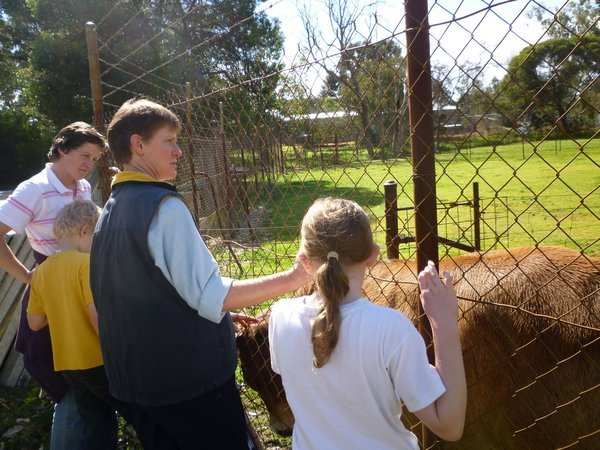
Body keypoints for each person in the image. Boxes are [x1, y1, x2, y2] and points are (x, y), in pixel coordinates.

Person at [89, 98, 311, 450]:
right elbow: (212, 294)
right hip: (189, 386)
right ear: (138, 144)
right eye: (169, 140)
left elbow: (144, 292)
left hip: (137, 385)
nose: (178, 151)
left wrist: (212, 317)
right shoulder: (163, 208)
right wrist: (295, 277)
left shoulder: (110, 212)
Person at [268, 198, 467, 450]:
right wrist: (445, 323)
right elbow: (449, 426)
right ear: (373, 255)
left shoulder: (280, 316)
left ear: (305, 261)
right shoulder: (392, 330)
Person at [0, 122, 106, 449]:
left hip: (84, 283)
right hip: (56, 289)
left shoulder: (82, 187)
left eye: (95, 158)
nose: (89, 164)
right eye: (84, 155)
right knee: (69, 382)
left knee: (89, 372)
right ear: (62, 149)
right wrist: (30, 277)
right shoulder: (35, 189)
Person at [27, 199, 138, 450]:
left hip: (68, 365)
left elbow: (35, 323)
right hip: (98, 361)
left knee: (96, 422)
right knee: (140, 412)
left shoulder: (42, 271)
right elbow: (98, 320)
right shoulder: (85, 264)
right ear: (85, 230)